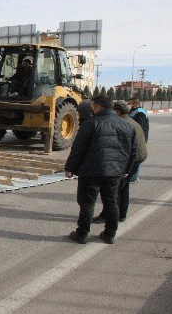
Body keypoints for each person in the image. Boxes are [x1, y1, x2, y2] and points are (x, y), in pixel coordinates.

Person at [64, 95, 138, 244]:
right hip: (115, 172)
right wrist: (126, 169)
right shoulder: (128, 125)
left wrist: (70, 168)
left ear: (97, 107)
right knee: (111, 202)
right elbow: (133, 151)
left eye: (92, 106)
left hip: (90, 171)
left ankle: (82, 234)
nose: (91, 109)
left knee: (87, 203)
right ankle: (110, 234)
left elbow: (78, 148)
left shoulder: (91, 123)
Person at [92, 101, 147, 224]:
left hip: (130, 160)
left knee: (113, 191)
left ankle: (109, 216)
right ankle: (121, 214)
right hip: (137, 159)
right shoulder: (132, 121)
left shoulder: (121, 123)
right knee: (123, 188)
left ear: (117, 111)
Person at [127, 97, 149, 182]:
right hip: (133, 137)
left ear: (134, 103)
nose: (128, 105)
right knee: (132, 156)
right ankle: (132, 175)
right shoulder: (133, 111)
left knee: (137, 157)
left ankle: (134, 176)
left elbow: (140, 127)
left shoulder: (140, 112)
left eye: (129, 103)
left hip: (139, 138)